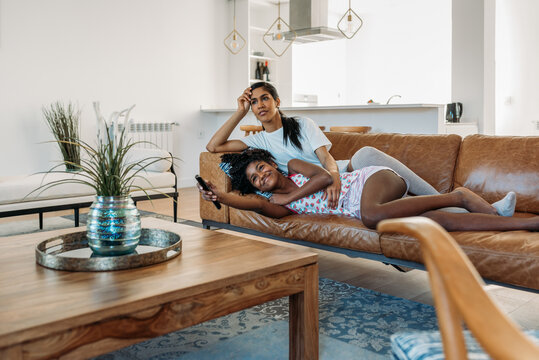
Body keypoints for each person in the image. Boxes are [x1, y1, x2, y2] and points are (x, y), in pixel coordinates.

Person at [206, 82, 515, 215]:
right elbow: (214, 146)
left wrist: (336, 178)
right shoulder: (257, 142)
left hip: (339, 173)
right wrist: (239, 111)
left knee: (365, 154)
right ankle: (465, 206)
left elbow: (326, 159)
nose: (259, 106)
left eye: (265, 99)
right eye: (254, 102)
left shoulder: (301, 123)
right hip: (313, 185)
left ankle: (472, 206)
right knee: (399, 203)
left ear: (276, 102)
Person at [197, 149, 538, 232]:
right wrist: (221, 197)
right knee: (436, 224)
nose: (261, 176)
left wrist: (290, 194)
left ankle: (458, 195)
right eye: (255, 179)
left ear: (269, 162)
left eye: (260, 167)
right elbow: (258, 207)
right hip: (365, 205)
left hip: (372, 181)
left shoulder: (293, 167)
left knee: (372, 216)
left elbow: (324, 178)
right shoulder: (277, 204)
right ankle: (520, 224)